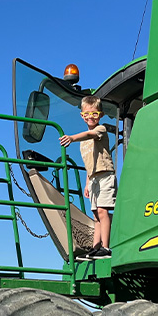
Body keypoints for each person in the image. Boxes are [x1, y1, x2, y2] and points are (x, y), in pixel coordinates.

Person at [59, 95, 117, 260]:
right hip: (93, 179)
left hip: (105, 175)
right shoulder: (84, 143)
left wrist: (72, 138)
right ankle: (95, 247)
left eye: (94, 114)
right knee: (96, 215)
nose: (91, 117)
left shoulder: (100, 130)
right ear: (82, 116)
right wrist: (87, 183)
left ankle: (106, 247)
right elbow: (89, 165)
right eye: (87, 115)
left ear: (101, 115)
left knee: (102, 211)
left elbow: (88, 135)